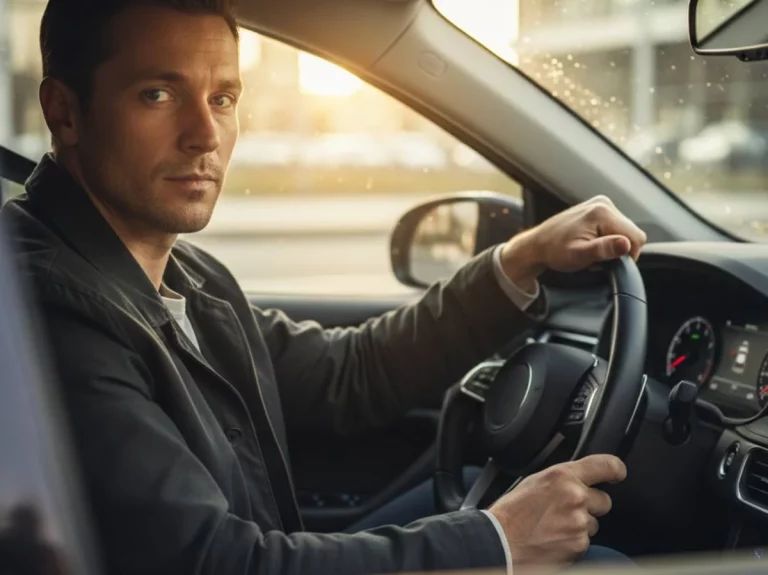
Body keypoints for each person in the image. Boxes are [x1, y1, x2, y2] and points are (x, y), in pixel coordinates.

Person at [0, 0, 647, 574]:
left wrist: (523, 256)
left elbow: (349, 374)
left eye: (222, 98)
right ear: (65, 112)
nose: (205, 135)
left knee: (482, 487)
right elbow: (212, 561)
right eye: (158, 94)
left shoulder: (189, 275)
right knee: (602, 565)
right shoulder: (48, 308)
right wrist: (498, 541)